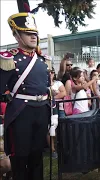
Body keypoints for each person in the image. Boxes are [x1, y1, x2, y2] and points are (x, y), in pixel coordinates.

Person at [0, 7, 57, 180]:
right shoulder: (9, 59)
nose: (33, 37)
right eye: (28, 33)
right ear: (16, 35)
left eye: (35, 33)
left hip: (41, 111)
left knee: (37, 156)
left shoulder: (42, 60)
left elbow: (47, 86)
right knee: (20, 157)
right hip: (21, 113)